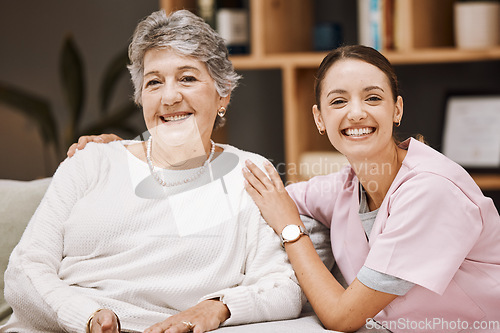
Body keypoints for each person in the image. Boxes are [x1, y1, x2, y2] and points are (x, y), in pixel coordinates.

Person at [2, 9, 304, 333]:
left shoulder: (250, 174)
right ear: (141, 96)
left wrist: (217, 307)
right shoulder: (91, 161)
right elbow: (24, 270)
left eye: (187, 78)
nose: (170, 97)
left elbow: (282, 286)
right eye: (154, 82)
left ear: (223, 94)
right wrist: (88, 317)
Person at [242, 45, 500, 332]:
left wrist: (291, 230)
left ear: (397, 109)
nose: (356, 113)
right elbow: (272, 199)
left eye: (373, 98)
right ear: (319, 119)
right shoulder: (346, 185)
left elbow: (342, 317)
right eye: (339, 101)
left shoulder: (432, 190)